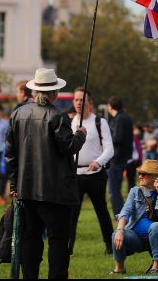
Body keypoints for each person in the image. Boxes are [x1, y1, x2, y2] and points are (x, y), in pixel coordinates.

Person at [5, 68, 87, 279]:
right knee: (58, 240)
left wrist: (14, 184)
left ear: (34, 92)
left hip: (26, 189)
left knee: (31, 237)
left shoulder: (17, 114)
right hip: (55, 191)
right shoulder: (57, 116)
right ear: (54, 93)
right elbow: (69, 147)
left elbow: (10, 154)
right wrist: (80, 135)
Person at [109, 159, 158, 276]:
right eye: (139, 173)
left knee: (155, 226)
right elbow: (125, 211)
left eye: (144, 174)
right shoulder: (135, 191)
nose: (140, 176)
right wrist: (120, 230)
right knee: (116, 233)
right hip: (137, 238)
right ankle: (119, 268)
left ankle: (156, 266)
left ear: (156, 177)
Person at [68, 87, 115, 256]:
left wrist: (98, 162)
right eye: (76, 100)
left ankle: (111, 246)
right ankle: (68, 248)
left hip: (96, 174)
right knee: (72, 214)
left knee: (101, 211)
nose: (79, 103)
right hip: (75, 175)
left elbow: (109, 149)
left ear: (90, 102)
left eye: (82, 100)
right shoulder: (71, 122)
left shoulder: (100, 122)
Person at [107, 95, 134, 218]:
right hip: (124, 157)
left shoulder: (119, 119)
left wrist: (106, 140)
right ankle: (123, 213)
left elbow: (117, 138)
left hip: (116, 158)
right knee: (117, 189)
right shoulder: (126, 117)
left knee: (114, 190)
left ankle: (120, 214)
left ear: (110, 106)